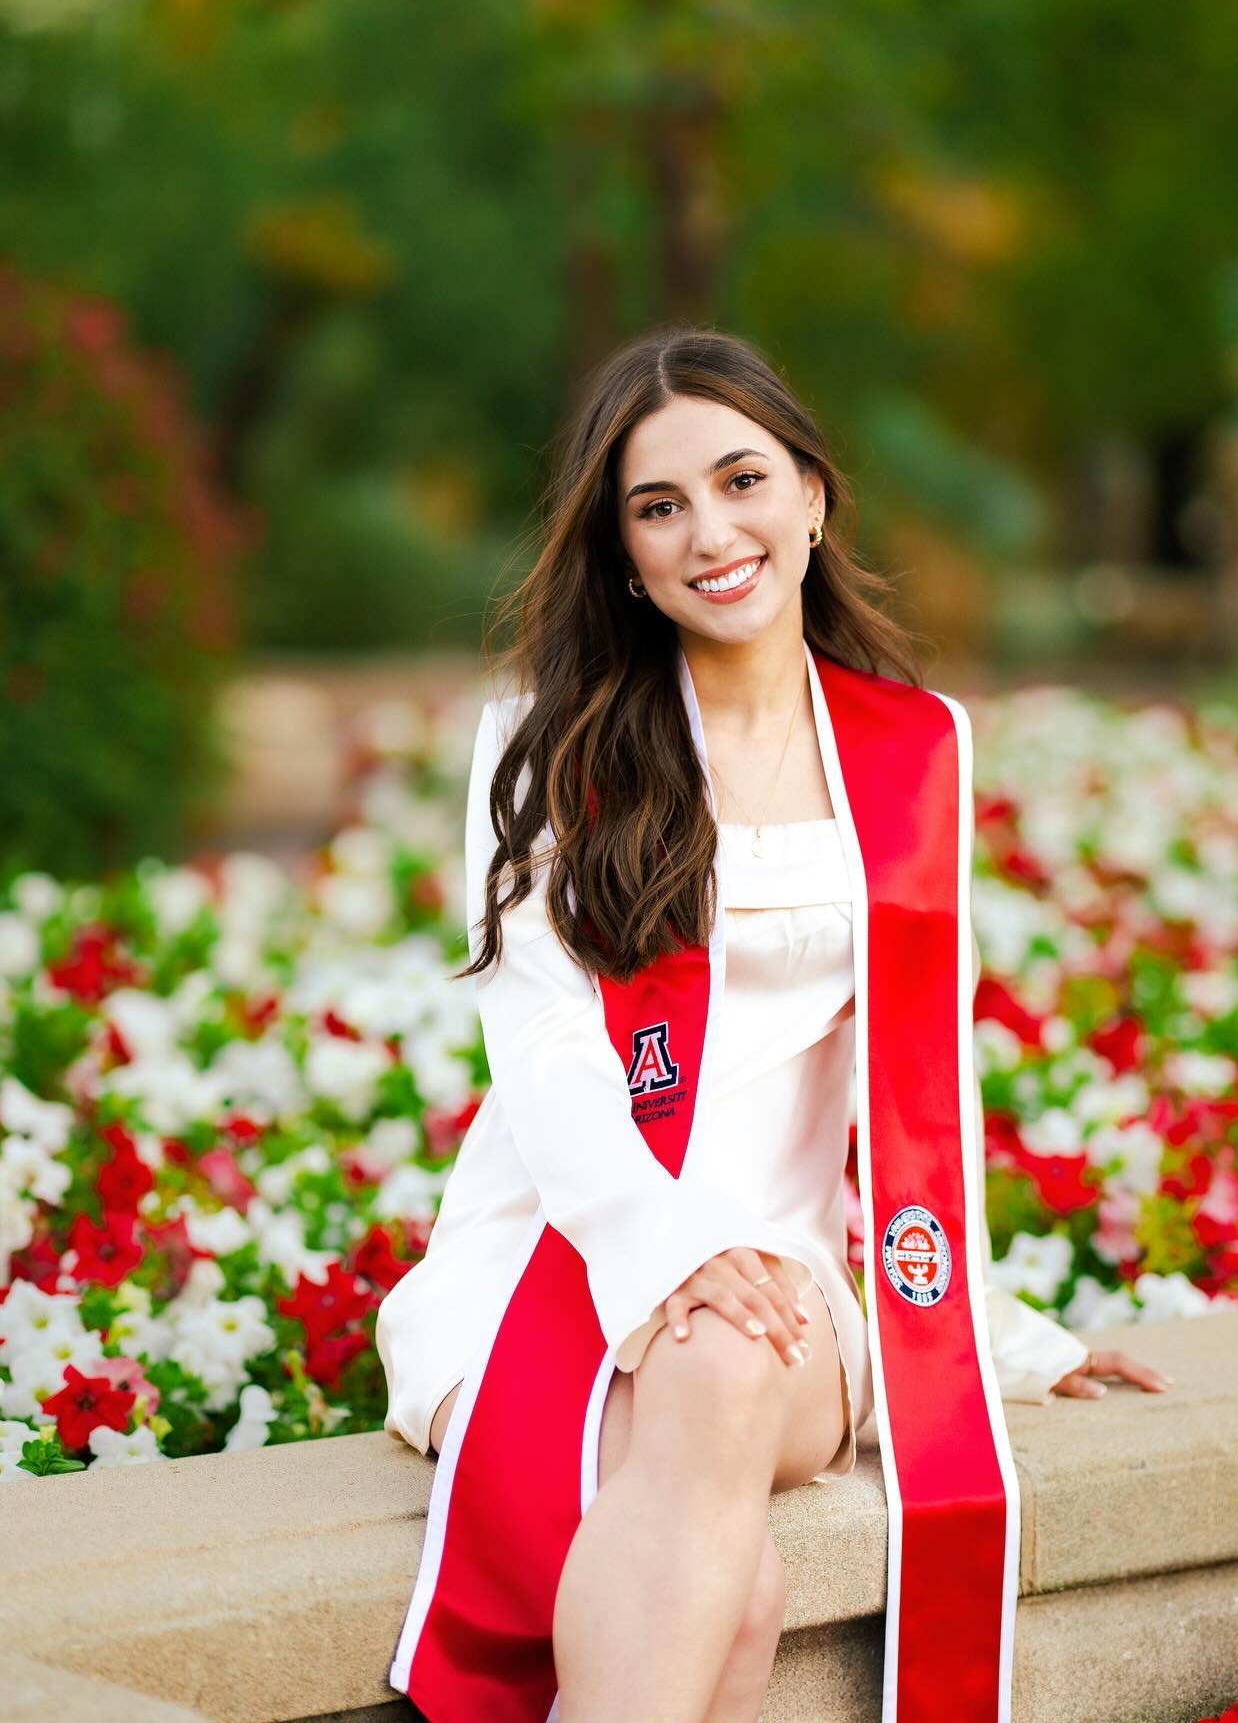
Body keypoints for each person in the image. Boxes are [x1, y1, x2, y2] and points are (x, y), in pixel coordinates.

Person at [378, 325, 1168, 1722]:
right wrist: (676, 1250)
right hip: (561, 1243)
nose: (711, 532)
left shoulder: (916, 747)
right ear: (622, 555)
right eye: (659, 505)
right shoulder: (546, 751)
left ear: (812, 494)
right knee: (730, 1597)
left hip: (795, 1284)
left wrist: (997, 1330)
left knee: (735, 1363)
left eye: (743, 480)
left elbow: (916, 1085)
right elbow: (547, 1050)